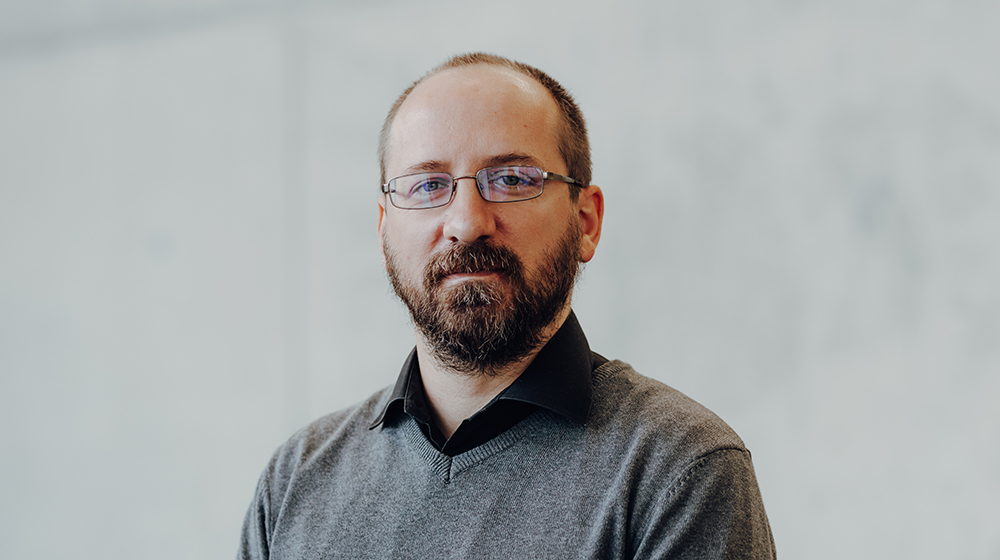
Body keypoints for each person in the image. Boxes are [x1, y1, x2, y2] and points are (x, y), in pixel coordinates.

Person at [238, 52, 776, 559]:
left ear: (585, 222)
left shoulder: (678, 471)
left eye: (513, 179)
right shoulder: (295, 482)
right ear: (384, 234)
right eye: (428, 185)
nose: (467, 222)